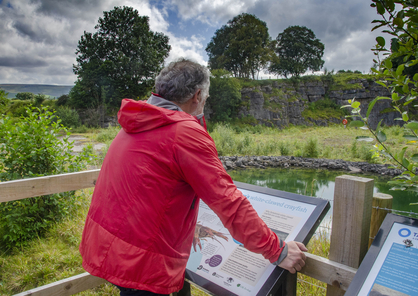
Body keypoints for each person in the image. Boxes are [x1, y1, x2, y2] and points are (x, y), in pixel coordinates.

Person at [79, 58, 307, 296]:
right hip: (143, 262)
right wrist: (277, 249)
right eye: (205, 98)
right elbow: (228, 201)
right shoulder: (182, 132)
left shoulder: (138, 120)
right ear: (197, 95)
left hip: (112, 245)